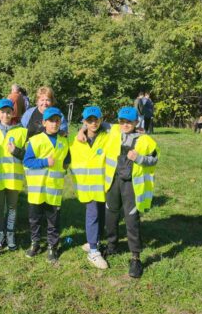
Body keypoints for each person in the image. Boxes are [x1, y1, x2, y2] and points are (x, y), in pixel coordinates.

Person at [104, 106, 159, 278]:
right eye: (122, 121)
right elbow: (96, 124)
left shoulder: (146, 140)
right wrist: (83, 129)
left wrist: (139, 158)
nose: (125, 124)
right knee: (111, 214)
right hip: (113, 181)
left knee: (131, 218)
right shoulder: (113, 132)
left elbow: (154, 159)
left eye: (129, 122)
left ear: (136, 122)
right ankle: (112, 246)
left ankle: (135, 257)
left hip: (131, 185)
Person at [24, 107, 70, 263]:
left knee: (53, 220)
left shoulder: (64, 141)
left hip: (54, 189)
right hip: (37, 189)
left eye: (57, 120)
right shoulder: (35, 140)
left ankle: (52, 246)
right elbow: (27, 161)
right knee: (34, 219)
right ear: (44, 122)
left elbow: (67, 159)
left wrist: (65, 165)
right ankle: (35, 243)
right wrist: (45, 162)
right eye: (51, 120)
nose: (54, 123)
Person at [0, 99, 27, 251]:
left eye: (8, 111)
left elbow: (27, 155)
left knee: (12, 207)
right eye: (2, 111)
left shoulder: (21, 131)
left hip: (14, 178)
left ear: (12, 112)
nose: (6, 114)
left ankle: (10, 234)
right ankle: (0, 234)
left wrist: (16, 151)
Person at [70, 106, 110, 270]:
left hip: (103, 184)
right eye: (89, 120)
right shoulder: (76, 141)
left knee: (101, 213)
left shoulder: (107, 137)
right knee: (92, 214)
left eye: (96, 119)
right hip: (87, 186)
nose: (94, 123)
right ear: (84, 122)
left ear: (101, 120)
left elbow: (118, 128)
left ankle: (95, 240)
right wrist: (81, 131)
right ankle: (93, 251)